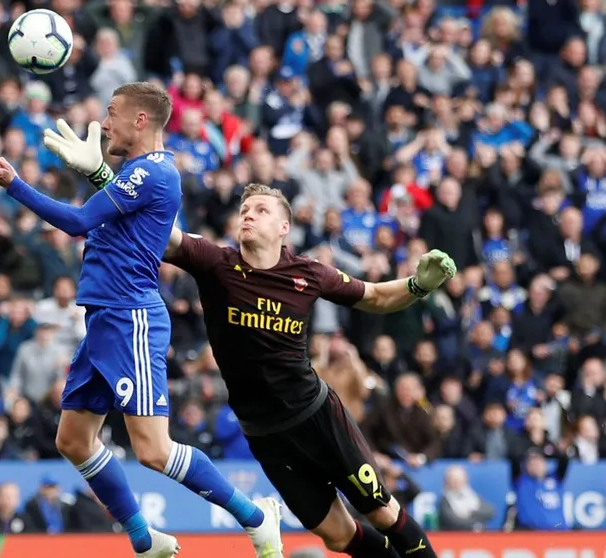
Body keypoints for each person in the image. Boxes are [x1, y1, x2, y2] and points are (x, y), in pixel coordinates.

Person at [0, 82, 279, 558]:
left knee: (153, 450)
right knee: (73, 439)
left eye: (113, 113)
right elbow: (121, 217)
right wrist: (99, 171)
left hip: (131, 317)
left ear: (141, 120)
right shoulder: (137, 172)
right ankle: (143, 538)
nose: (105, 122)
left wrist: (14, 184)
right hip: (104, 318)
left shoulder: (156, 172)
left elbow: (79, 223)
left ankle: (257, 518)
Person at [161, 184, 457, 558]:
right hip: (265, 433)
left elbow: (376, 296)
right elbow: (163, 235)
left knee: (382, 511)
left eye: (261, 210)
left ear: (284, 226)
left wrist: (416, 286)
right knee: (337, 536)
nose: (248, 214)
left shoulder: (309, 274)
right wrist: (107, 177)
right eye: (245, 209)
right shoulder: (216, 263)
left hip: (316, 417)